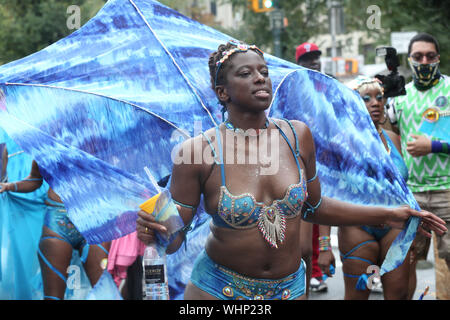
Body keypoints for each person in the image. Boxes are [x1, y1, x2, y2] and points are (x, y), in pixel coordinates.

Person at [136, 40, 446, 300]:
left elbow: (314, 207)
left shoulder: (298, 135)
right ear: (222, 92)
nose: (260, 78)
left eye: (264, 72)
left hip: (290, 289)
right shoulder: (197, 151)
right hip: (219, 290)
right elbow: (174, 240)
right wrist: (156, 230)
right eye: (246, 73)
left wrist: (386, 214)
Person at [388, 32, 450, 300]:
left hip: (447, 192)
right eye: (418, 57)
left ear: (438, 58)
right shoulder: (398, 97)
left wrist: (433, 146)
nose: (424, 62)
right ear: (409, 60)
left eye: (430, 56)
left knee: (448, 269)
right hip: (410, 197)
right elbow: (390, 141)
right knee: (406, 266)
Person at [338, 76, 410, 299]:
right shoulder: (341, 142)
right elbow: (326, 192)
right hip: (358, 228)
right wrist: (323, 246)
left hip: (395, 229)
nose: (375, 103)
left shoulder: (393, 138)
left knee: (397, 296)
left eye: (379, 97)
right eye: (366, 98)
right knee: (358, 296)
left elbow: (404, 189)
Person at [0, 159, 110, 300]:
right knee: (53, 297)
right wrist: (9, 186)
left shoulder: (96, 142)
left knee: (105, 291)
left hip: (93, 221)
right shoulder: (45, 146)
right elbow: (35, 180)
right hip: (57, 221)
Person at [296, 42, 336, 293]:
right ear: (297, 63)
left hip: (326, 164)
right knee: (301, 229)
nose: (313, 62)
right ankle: (304, 277)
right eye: (307, 58)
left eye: (316, 58)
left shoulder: (330, 88)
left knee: (321, 215)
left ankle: (317, 273)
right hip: (299, 163)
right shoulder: (291, 90)